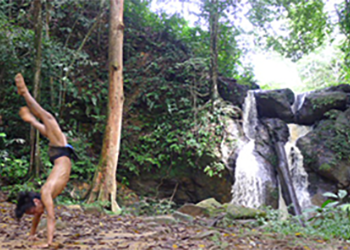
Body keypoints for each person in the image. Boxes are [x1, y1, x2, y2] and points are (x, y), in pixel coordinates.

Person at [14, 73, 77, 248]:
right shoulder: (43, 197)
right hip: (59, 154)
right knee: (49, 126)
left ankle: (25, 93)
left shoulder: (46, 193)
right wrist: (32, 234)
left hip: (60, 153)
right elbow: (39, 216)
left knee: (48, 117)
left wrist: (49, 243)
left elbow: (51, 217)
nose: (34, 214)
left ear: (35, 202)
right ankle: (32, 120)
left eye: (31, 211)